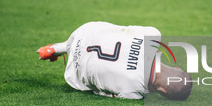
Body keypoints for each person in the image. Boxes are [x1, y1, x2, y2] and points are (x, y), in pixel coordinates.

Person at [37, 21, 192, 100]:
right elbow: (99, 92)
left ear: (177, 68)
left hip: (84, 32)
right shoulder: (134, 92)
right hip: (76, 71)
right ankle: (58, 49)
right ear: (163, 91)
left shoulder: (153, 35)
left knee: (116, 35)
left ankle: (55, 48)